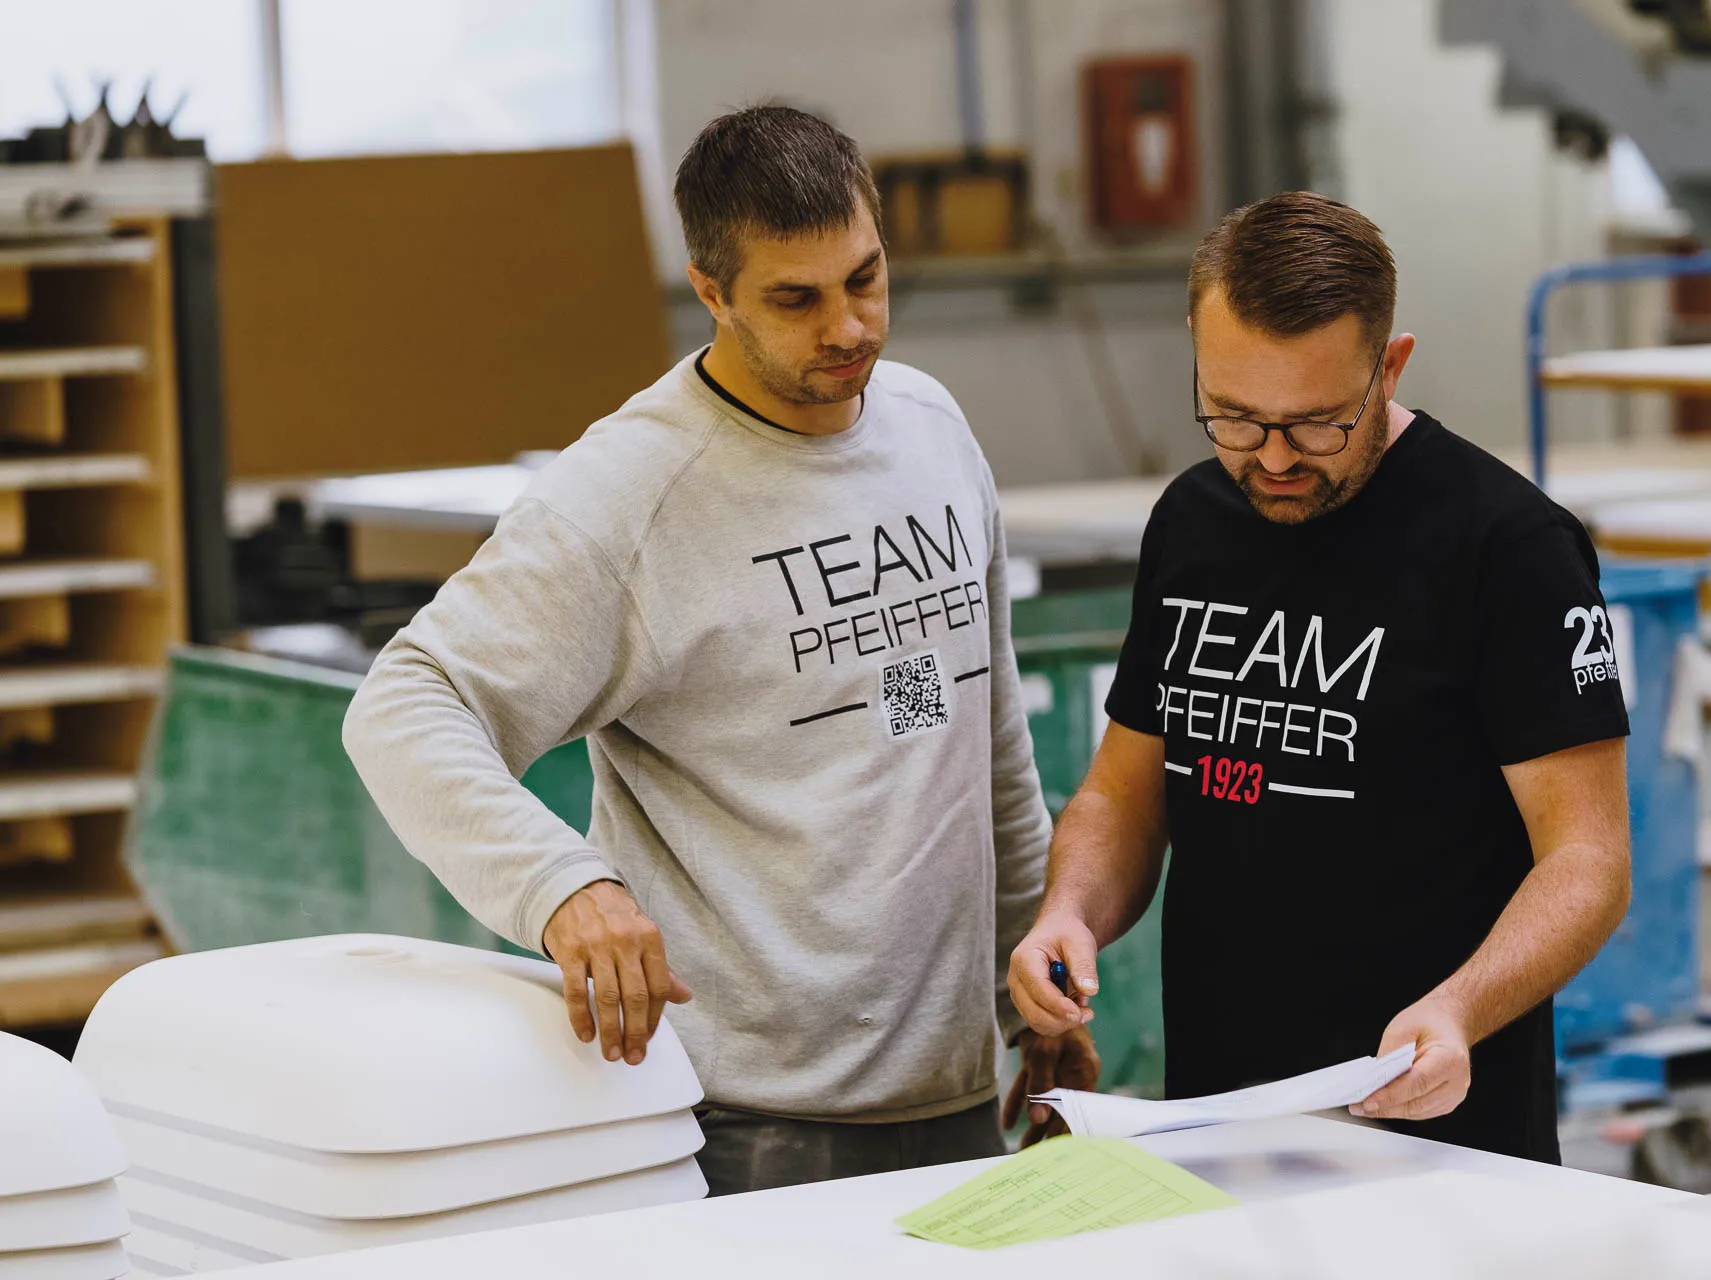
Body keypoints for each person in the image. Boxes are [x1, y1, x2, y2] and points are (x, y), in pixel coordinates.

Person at [343, 104, 1096, 1196]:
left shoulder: (932, 430)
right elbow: (407, 703)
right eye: (796, 299)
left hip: (961, 1095)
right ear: (711, 292)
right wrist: (563, 885)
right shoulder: (632, 498)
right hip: (746, 1131)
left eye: (866, 278)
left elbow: (978, 740)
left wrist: (1032, 976)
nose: (849, 328)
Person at [1007, 192, 1630, 1163]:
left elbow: (1588, 859)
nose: (1276, 460)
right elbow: (1126, 796)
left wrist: (1463, 1006)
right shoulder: (1192, 522)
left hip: (1437, 1134)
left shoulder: (1507, 547)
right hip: (1218, 1129)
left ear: (1390, 364)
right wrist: (1069, 915)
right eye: (1235, 418)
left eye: (1316, 424)